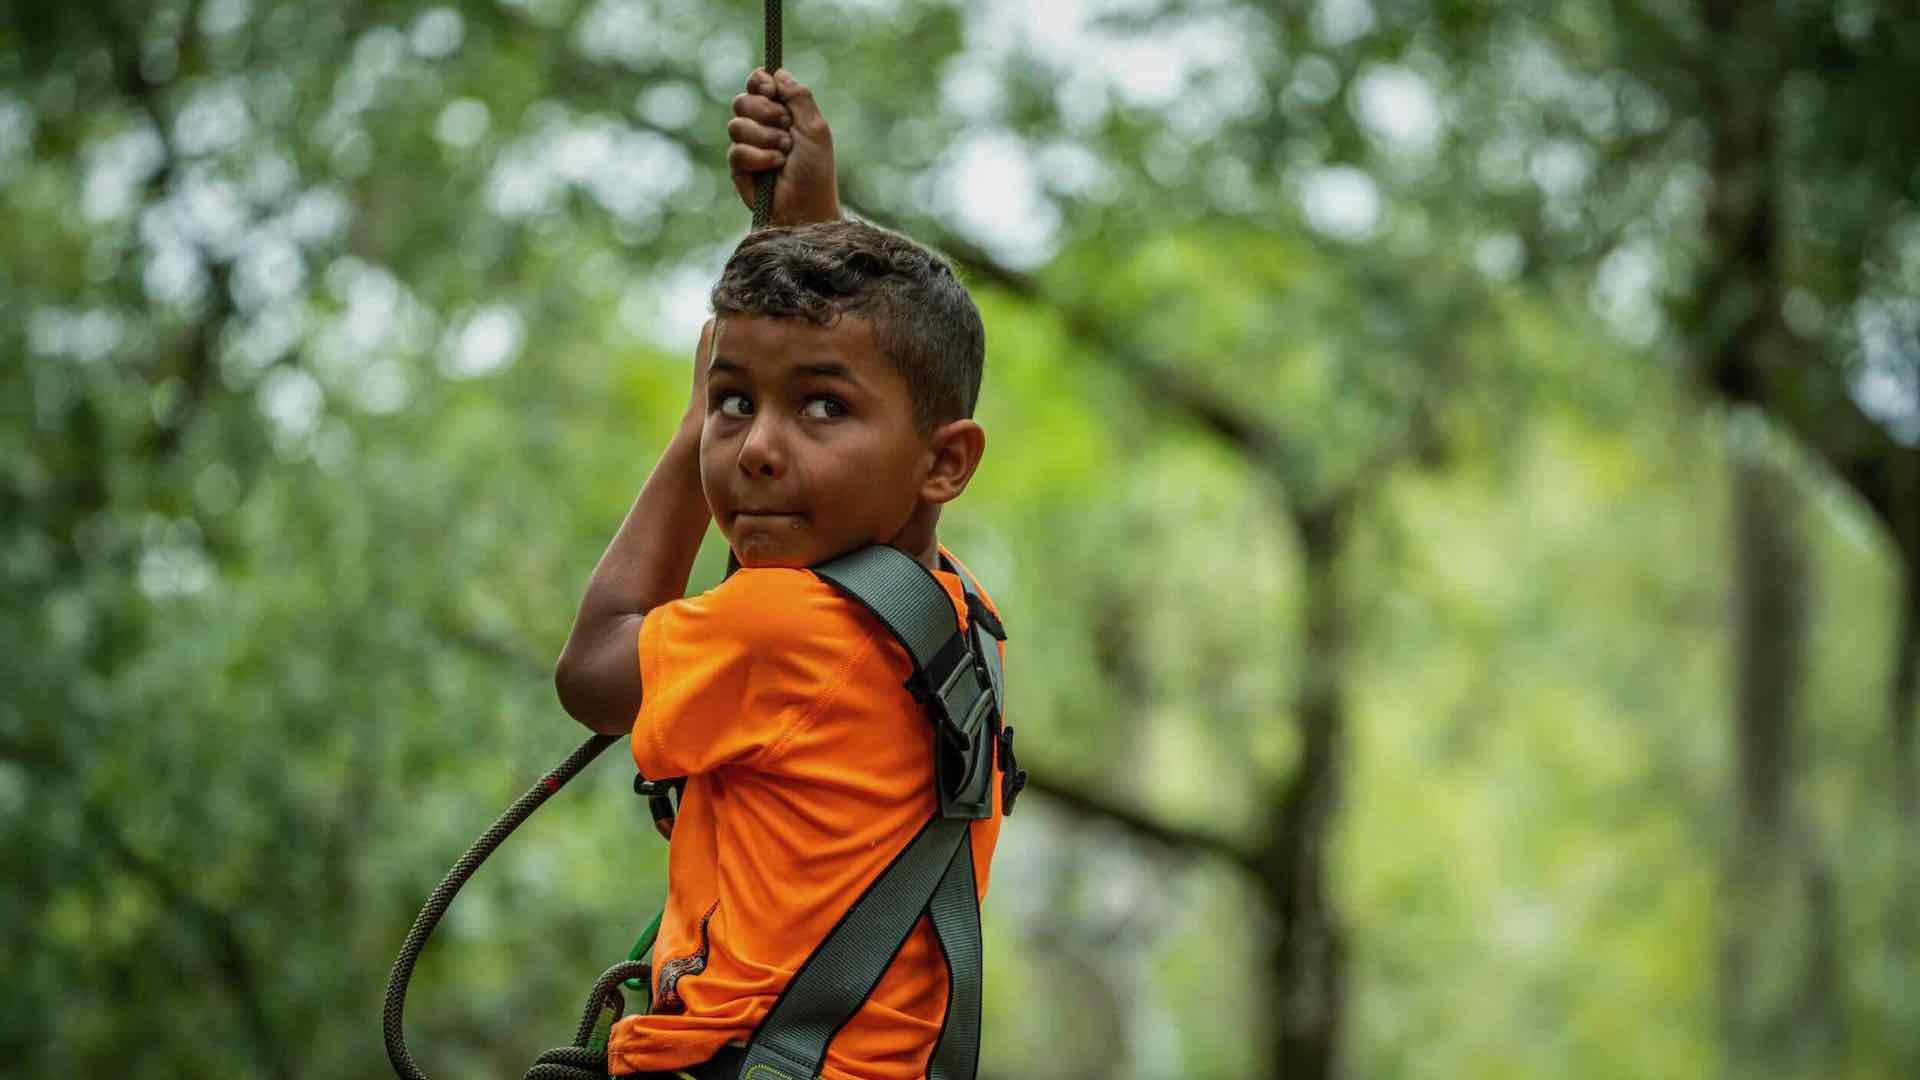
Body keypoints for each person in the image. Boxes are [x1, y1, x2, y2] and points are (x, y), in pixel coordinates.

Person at [552, 67, 1011, 1080]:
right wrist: (815, 227)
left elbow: (592, 673)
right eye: (734, 405)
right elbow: (891, 400)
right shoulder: (952, 618)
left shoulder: (779, 626)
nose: (755, 448)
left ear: (948, 461)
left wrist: (692, 423)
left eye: (819, 409)